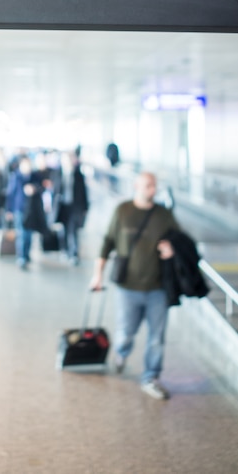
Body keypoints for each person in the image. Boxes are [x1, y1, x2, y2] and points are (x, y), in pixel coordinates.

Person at [90, 171, 179, 400]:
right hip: (128, 288)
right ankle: (121, 353)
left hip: (157, 288)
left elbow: (181, 241)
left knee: (156, 338)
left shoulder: (164, 215)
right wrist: (97, 275)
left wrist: (172, 250)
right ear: (136, 186)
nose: (152, 189)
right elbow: (107, 242)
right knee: (126, 333)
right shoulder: (123, 211)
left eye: (155, 185)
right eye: (148, 185)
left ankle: (151, 376)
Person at [5, 155, 47, 269]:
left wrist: (34, 188)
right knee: (22, 233)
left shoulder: (35, 176)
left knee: (29, 234)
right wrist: (9, 210)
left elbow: (42, 188)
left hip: (32, 210)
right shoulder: (16, 177)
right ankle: (21, 257)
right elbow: (10, 194)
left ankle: (27, 254)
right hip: (20, 209)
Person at [55, 150, 89, 265]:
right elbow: (54, 191)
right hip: (62, 206)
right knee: (63, 230)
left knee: (73, 230)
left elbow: (84, 192)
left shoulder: (78, 175)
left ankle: (74, 253)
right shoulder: (58, 173)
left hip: (75, 207)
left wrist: (85, 208)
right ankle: (64, 250)